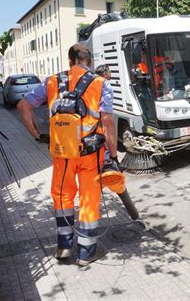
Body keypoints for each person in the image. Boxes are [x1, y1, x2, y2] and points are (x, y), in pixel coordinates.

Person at [17, 44, 118, 267]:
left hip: (62, 152)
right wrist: (113, 154)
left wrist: (36, 135)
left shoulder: (52, 82)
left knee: (62, 196)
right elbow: (108, 122)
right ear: (90, 62)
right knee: (89, 198)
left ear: (70, 60)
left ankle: (64, 246)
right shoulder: (101, 84)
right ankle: (85, 253)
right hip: (91, 153)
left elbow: (23, 105)